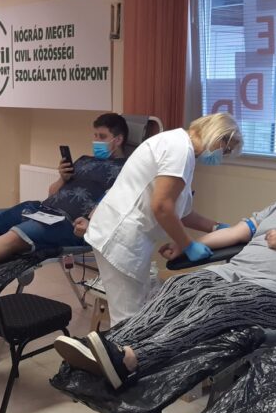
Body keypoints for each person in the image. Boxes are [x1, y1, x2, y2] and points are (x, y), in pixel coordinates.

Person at [55, 140, 276, 389]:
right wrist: (187, 245)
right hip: (238, 275)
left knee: (214, 301)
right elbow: (236, 232)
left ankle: (132, 360)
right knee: (181, 285)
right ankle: (107, 348)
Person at [78, 113, 242, 325]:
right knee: (128, 319)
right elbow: (162, 207)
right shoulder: (179, 149)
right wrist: (188, 245)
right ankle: (116, 347)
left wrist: (216, 227)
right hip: (120, 237)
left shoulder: (181, 149)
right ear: (219, 136)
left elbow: (182, 212)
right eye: (225, 150)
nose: (222, 156)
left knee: (141, 308)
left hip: (123, 234)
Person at [0, 113, 129, 263]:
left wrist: (90, 223)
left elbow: (113, 207)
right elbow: (52, 193)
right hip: (41, 209)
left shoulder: (125, 169)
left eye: (102, 137)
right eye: (95, 135)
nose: (96, 141)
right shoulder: (84, 160)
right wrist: (62, 178)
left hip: (67, 222)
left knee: (15, 236)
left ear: (118, 139)